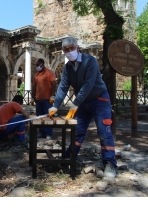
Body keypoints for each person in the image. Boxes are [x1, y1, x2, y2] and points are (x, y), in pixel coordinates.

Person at [48, 37, 117, 178]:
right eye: (66, 50)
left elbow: (88, 84)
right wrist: (55, 105)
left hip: (99, 100)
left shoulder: (90, 61)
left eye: (71, 48)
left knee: (104, 132)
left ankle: (110, 163)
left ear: (77, 48)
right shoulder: (67, 68)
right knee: (77, 131)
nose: (69, 52)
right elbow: (63, 87)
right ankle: (69, 157)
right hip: (83, 103)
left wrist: (75, 103)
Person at [31, 58, 56, 140]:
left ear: (42, 64)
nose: (36, 67)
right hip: (38, 99)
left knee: (48, 116)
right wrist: (32, 97)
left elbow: (54, 84)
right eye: (36, 65)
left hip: (47, 99)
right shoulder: (36, 75)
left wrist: (52, 95)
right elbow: (34, 86)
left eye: (37, 65)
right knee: (40, 117)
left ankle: (48, 133)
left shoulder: (49, 73)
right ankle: (42, 132)